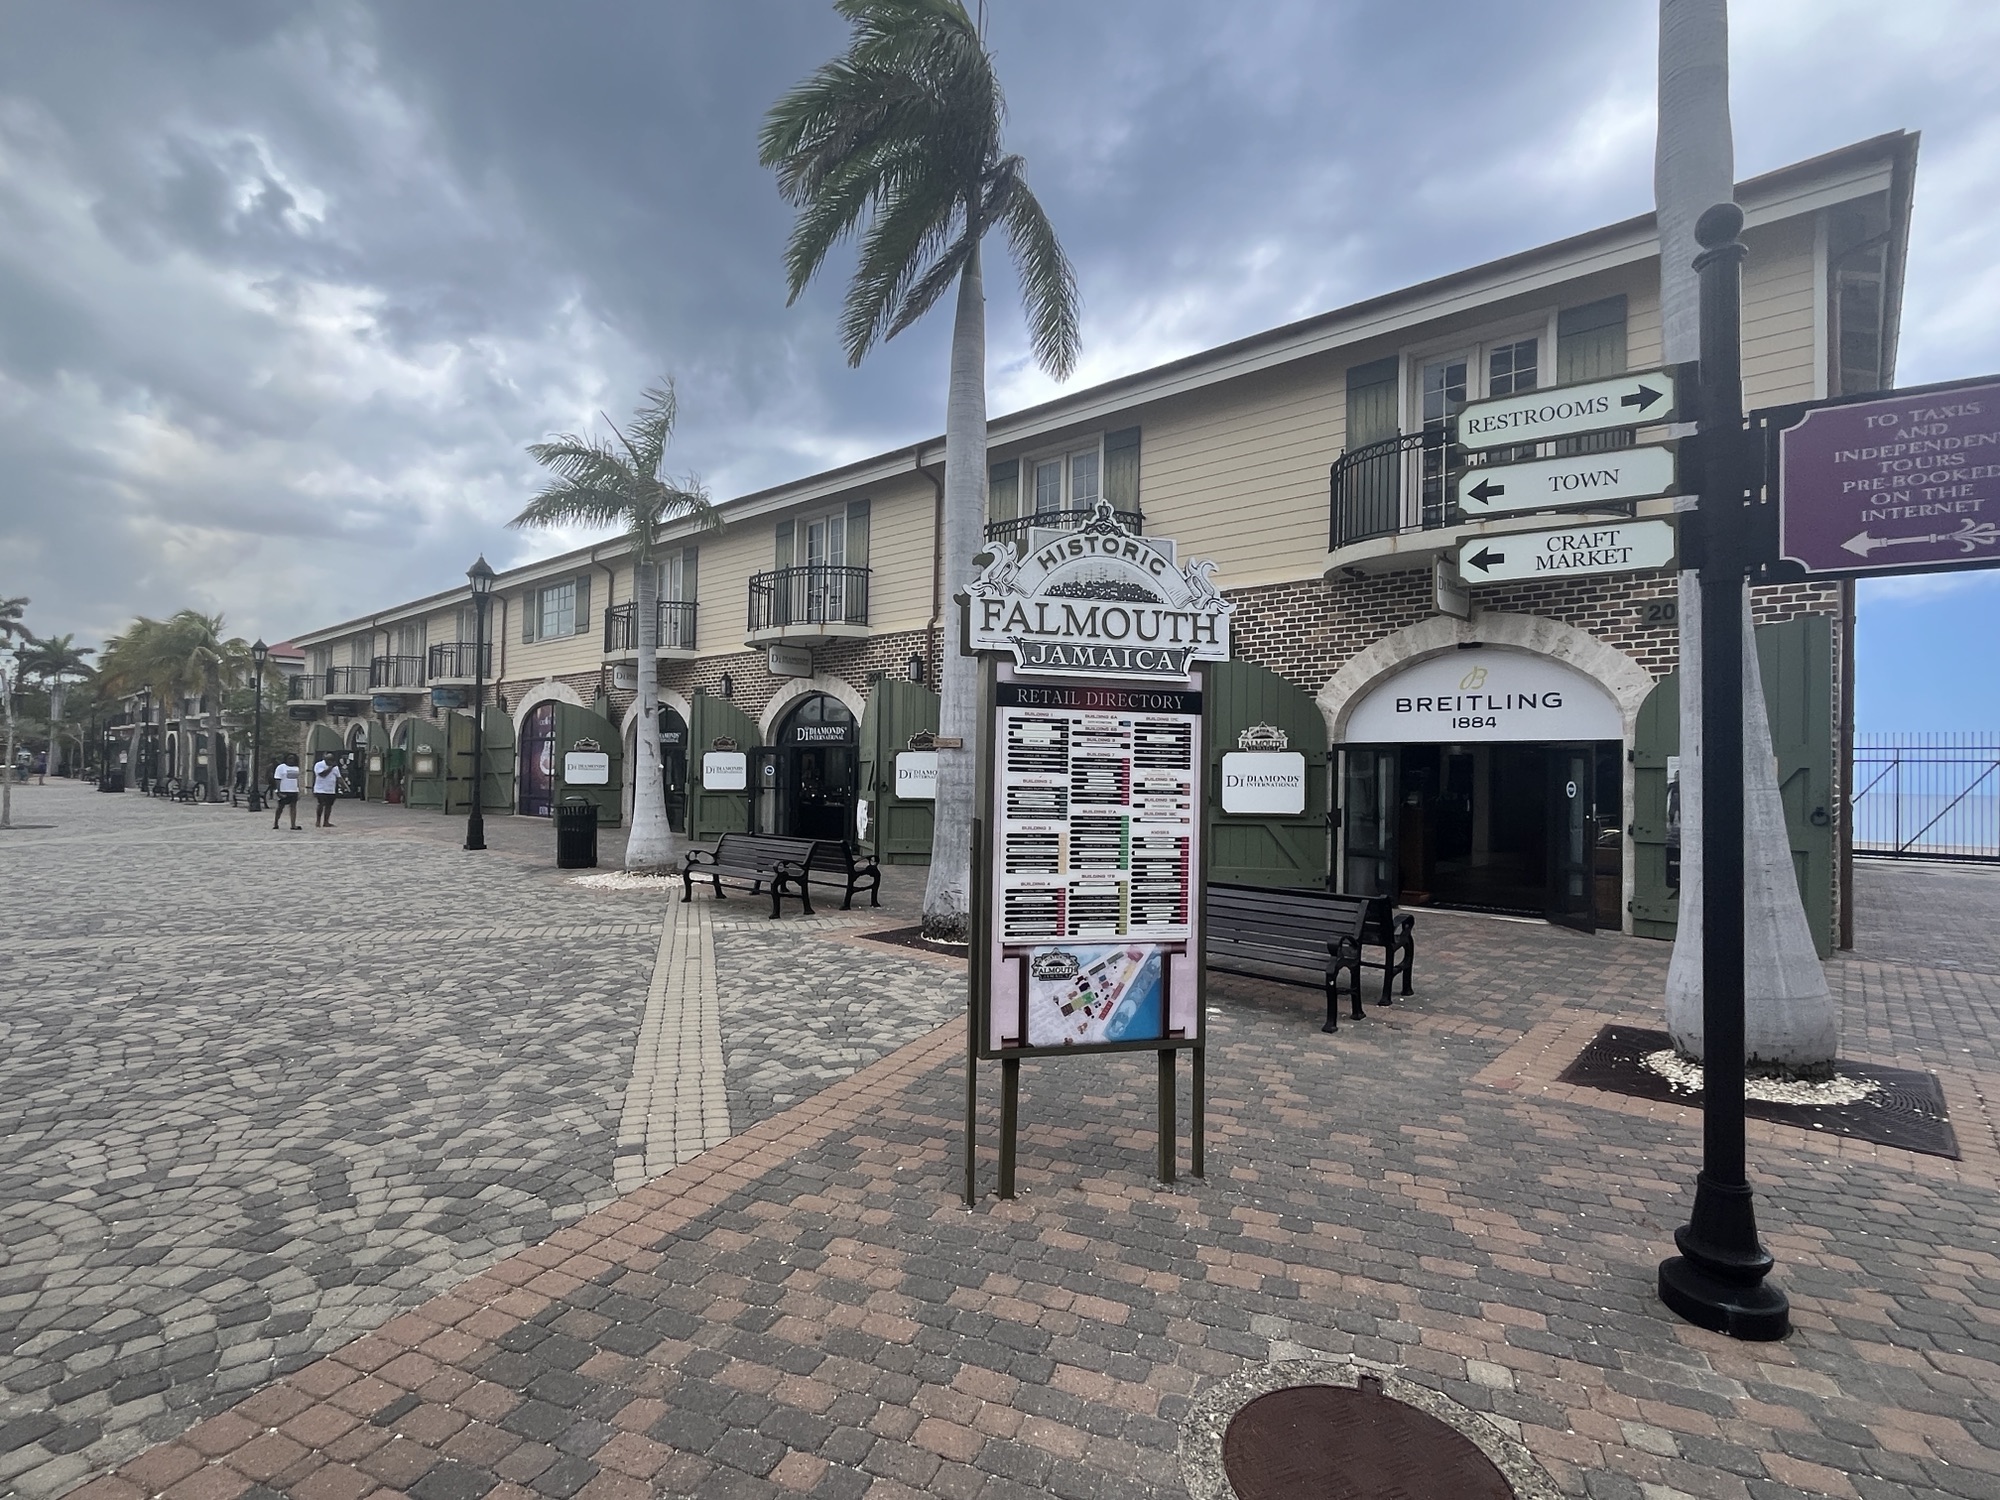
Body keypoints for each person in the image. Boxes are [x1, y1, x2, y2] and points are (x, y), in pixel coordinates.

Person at [271, 755, 302, 830]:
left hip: (293, 790)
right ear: (286, 759)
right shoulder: (281, 767)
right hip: (284, 790)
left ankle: (293, 824)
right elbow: (277, 779)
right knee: (280, 808)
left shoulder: (296, 768)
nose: (291, 760)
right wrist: (278, 791)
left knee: (293, 807)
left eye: (293, 759)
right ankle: (276, 823)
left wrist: (298, 790)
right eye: (289, 758)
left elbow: (297, 780)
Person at [311, 751, 341, 828]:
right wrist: (330, 767)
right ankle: (318, 821)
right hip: (320, 789)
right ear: (325, 759)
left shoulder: (335, 768)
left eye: (331, 760)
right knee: (321, 804)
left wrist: (345, 786)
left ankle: (326, 822)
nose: (330, 761)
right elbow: (322, 774)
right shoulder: (319, 765)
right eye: (328, 760)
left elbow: (339, 777)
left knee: (329, 806)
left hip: (331, 790)